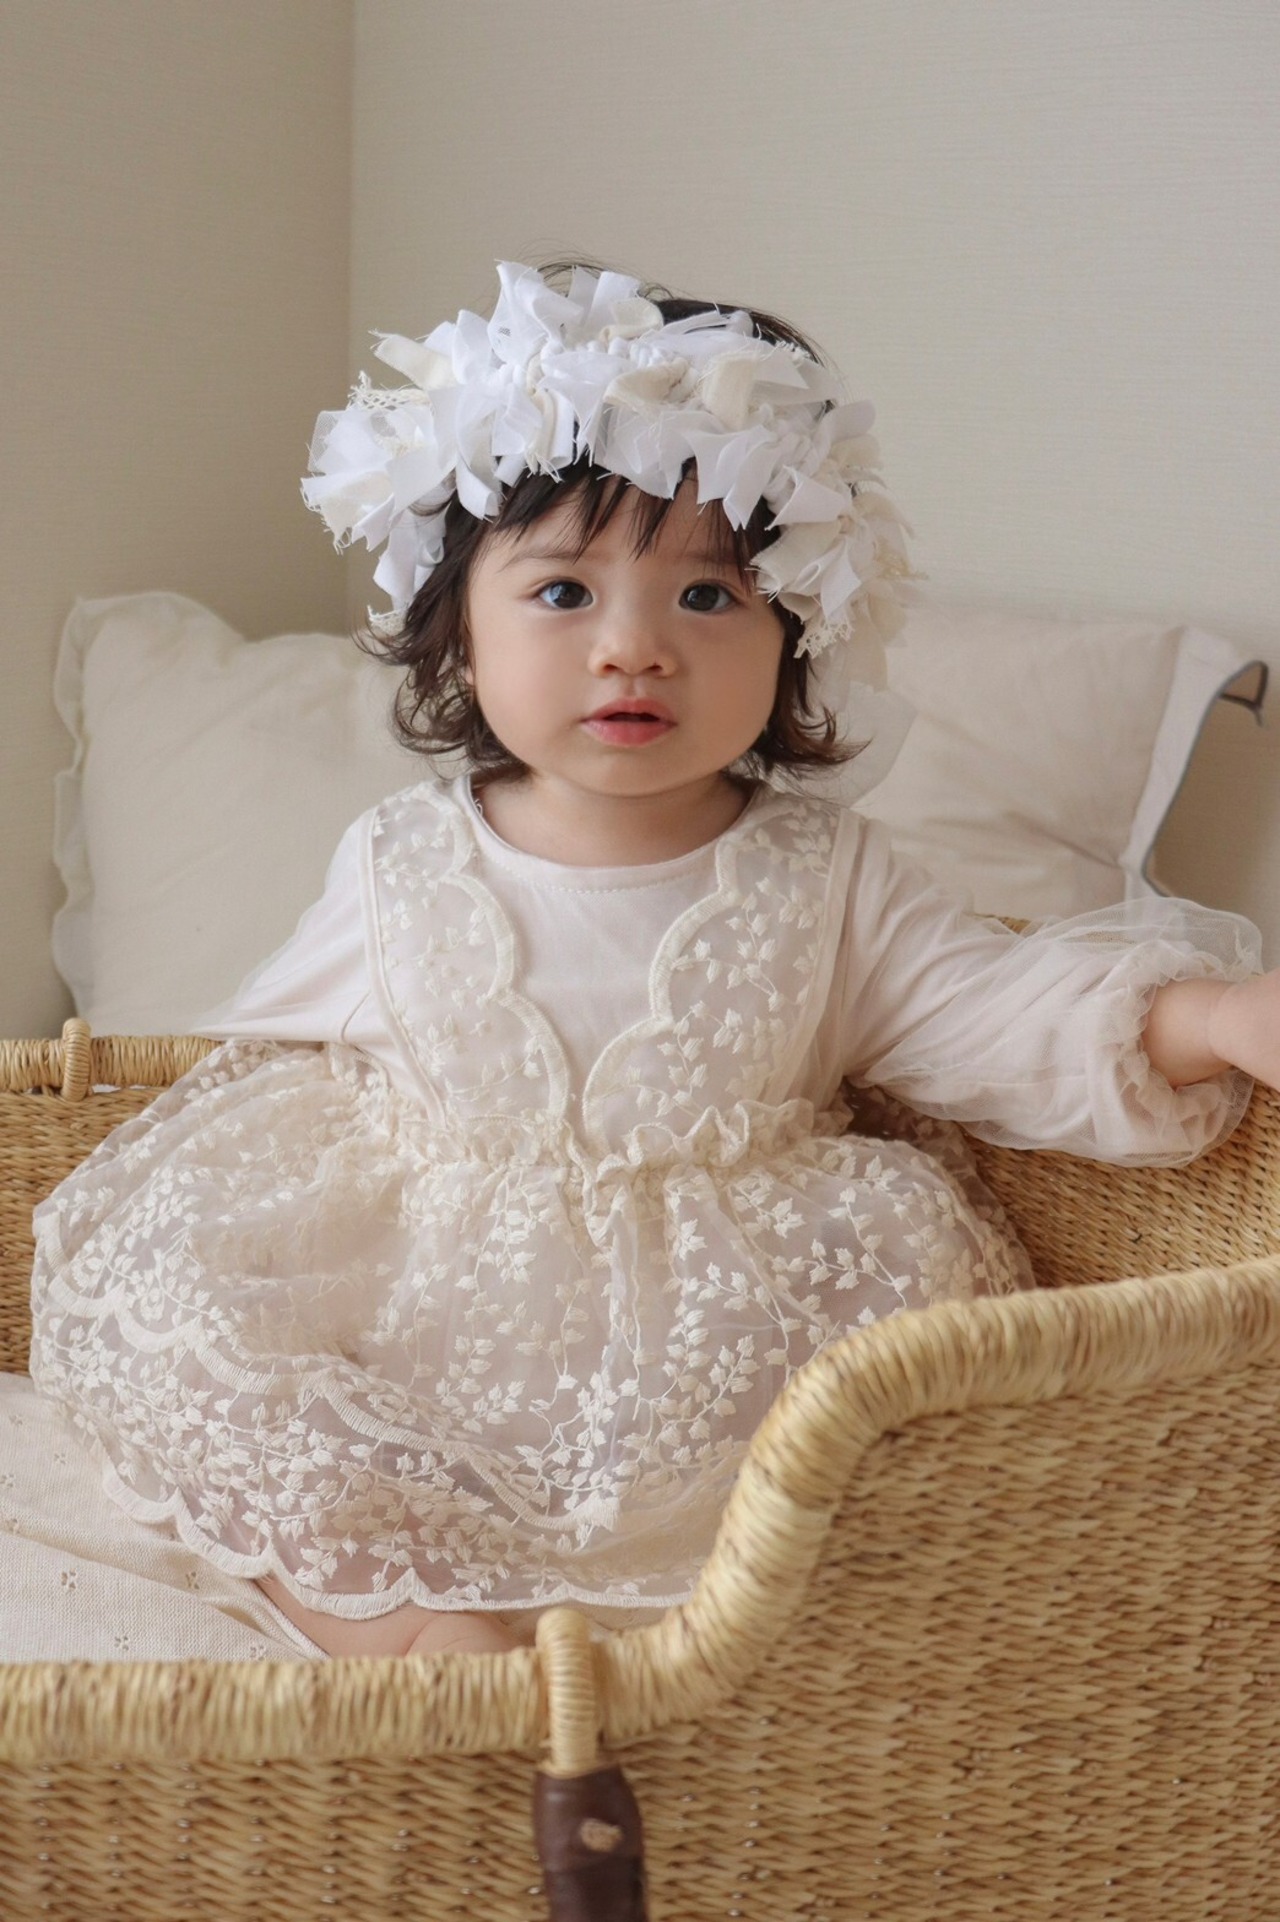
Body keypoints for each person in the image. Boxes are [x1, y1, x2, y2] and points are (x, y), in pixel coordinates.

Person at [28, 261, 1280, 1662]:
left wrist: (1218, 1015)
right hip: (434, 1320)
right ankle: (401, 1607)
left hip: (736, 1354)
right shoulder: (401, 860)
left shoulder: (829, 874)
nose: (635, 649)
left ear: (794, 635)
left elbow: (1002, 1012)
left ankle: (722, 1648)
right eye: (565, 591)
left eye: (708, 597)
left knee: (885, 1475)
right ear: (460, 635)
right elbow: (249, 1061)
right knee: (216, 1354)